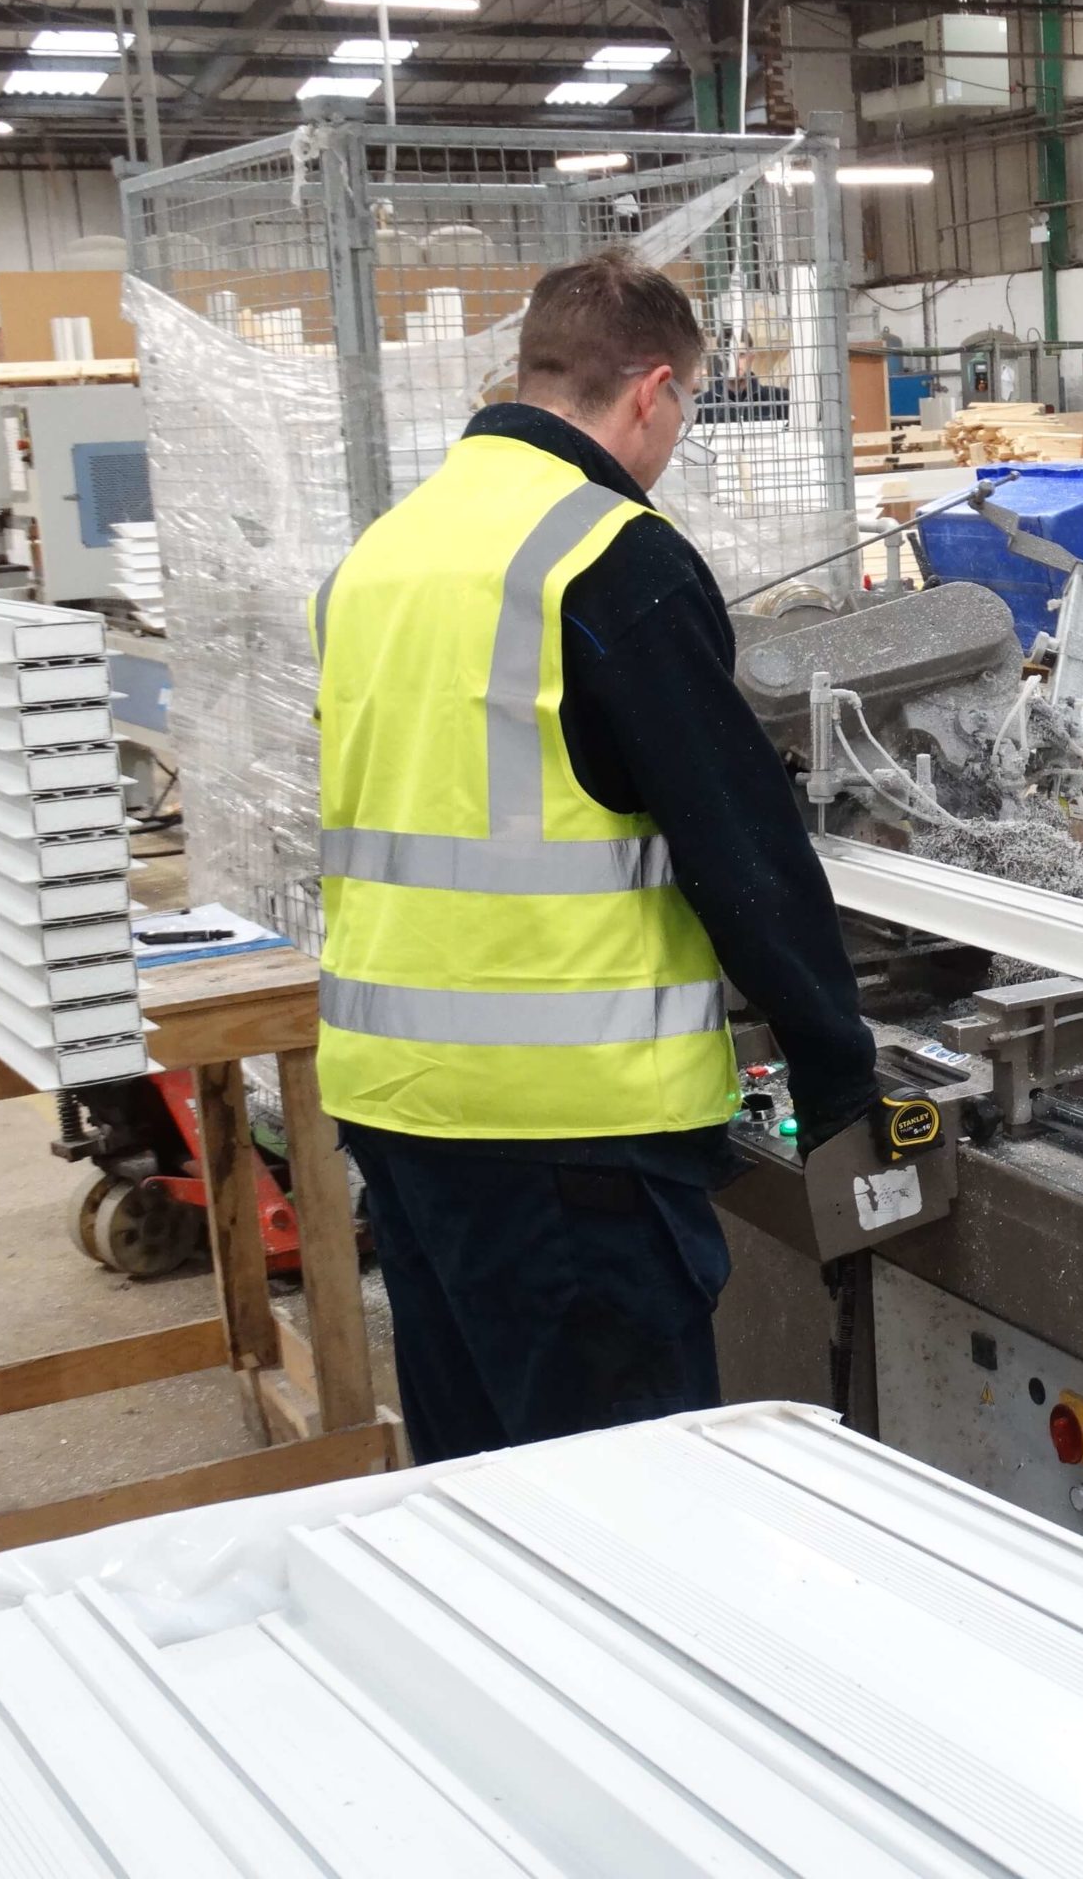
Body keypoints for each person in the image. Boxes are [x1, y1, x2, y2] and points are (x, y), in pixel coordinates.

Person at [306, 249, 876, 1462]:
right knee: (618, 1503)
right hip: (567, 1134)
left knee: (478, 1473)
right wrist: (838, 1072)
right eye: (684, 412)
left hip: (395, 1104)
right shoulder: (610, 554)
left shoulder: (384, 552)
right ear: (654, 392)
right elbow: (741, 846)